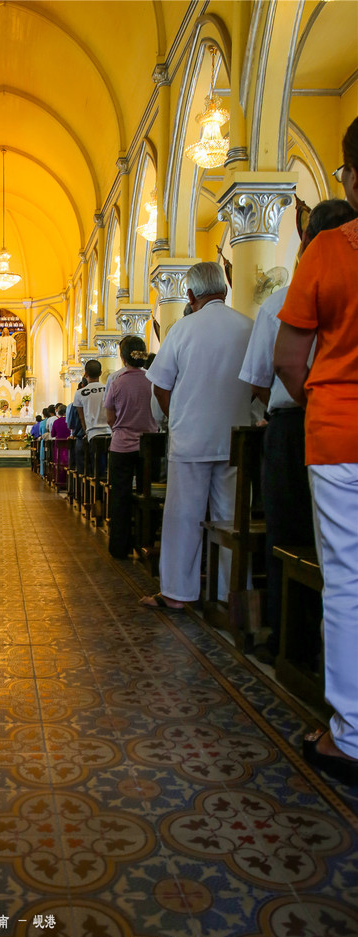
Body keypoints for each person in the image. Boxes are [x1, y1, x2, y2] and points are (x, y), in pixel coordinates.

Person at [274, 117, 358, 786]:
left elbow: (287, 356)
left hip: (339, 432)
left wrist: (321, 402)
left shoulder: (328, 248)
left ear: (352, 175)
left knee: (349, 578)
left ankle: (351, 735)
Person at [239, 198, 356, 664]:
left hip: (302, 425)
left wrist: (308, 403)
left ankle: (291, 644)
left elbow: (264, 376)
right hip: (318, 422)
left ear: (308, 239)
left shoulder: (278, 302)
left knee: (287, 532)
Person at [141, 261, 252, 611]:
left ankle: (177, 593)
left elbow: (160, 384)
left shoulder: (183, 329)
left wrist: (178, 416)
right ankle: (229, 594)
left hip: (191, 438)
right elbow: (260, 381)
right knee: (230, 519)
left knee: (183, 516)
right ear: (225, 288)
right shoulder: (247, 327)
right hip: (237, 437)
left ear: (189, 294)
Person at [104, 335, 158, 560]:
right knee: (149, 494)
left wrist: (122, 426)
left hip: (122, 447)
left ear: (123, 357)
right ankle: (147, 542)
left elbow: (109, 417)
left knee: (120, 496)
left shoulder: (117, 383)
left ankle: (120, 547)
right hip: (149, 446)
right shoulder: (153, 381)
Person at [73, 362, 111, 441]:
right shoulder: (109, 389)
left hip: (92, 432)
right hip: (109, 430)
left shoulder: (79, 393)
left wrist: (85, 432)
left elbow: (81, 417)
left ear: (85, 374)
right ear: (100, 373)